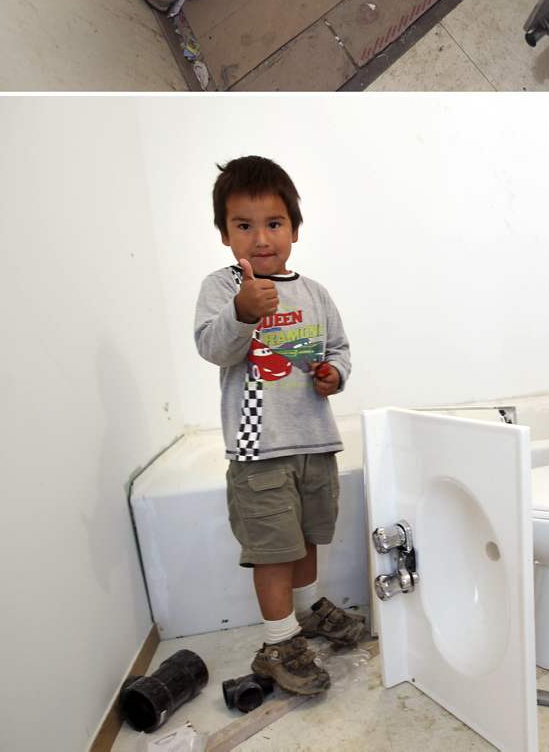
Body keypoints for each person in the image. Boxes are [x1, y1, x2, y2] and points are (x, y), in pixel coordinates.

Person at [195, 155, 363, 696]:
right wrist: (243, 312)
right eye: (244, 225)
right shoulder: (223, 288)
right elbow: (213, 348)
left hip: (315, 441)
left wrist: (333, 374)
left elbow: (338, 348)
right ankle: (278, 642)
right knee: (273, 550)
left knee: (308, 536)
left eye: (274, 223)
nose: (261, 238)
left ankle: (307, 610)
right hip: (259, 449)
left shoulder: (314, 292)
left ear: (294, 228)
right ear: (225, 234)